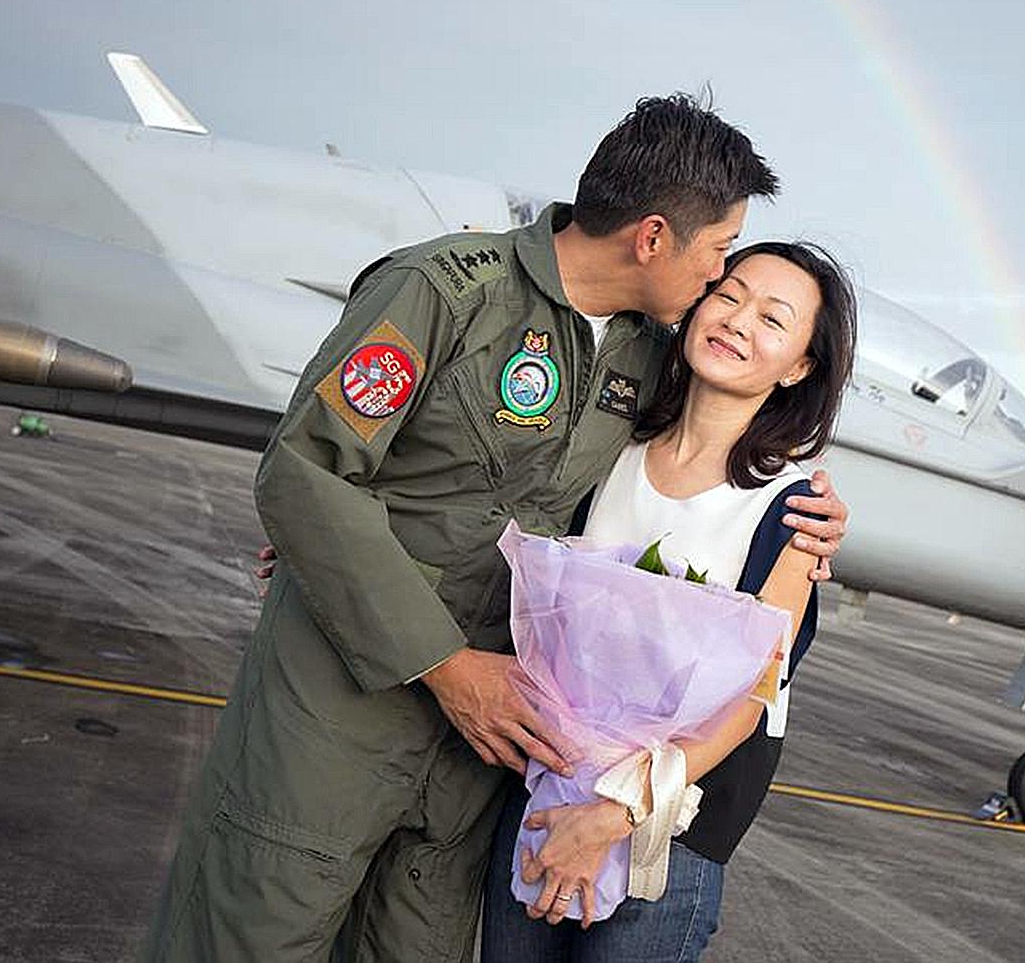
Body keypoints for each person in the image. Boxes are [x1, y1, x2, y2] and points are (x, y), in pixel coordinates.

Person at [141, 96, 850, 963]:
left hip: (479, 765)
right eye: (718, 255)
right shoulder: (443, 293)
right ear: (653, 237)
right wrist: (424, 645)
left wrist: (808, 512)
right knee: (253, 935)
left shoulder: (645, 358)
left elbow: (677, 469)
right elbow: (306, 474)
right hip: (338, 719)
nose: (718, 282)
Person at [478, 240, 856, 962]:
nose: (738, 321)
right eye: (729, 295)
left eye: (772, 319)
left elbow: (753, 695)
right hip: (543, 800)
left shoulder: (793, 509)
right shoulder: (605, 452)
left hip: (667, 839)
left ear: (800, 367)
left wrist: (616, 813)